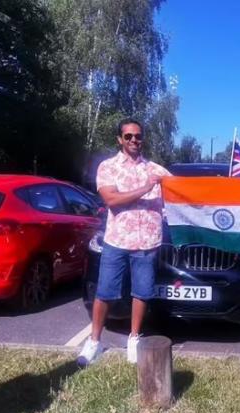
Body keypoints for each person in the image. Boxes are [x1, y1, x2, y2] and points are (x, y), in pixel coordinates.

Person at [77, 118, 170, 367]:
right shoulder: (108, 167)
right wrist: (146, 188)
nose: (133, 140)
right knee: (105, 291)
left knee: (142, 293)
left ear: (143, 139)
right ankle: (94, 342)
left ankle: (134, 339)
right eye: (128, 136)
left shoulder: (157, 170)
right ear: (120, 139)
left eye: (138, 136)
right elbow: (112, 200)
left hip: (147, 242)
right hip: (117, 241)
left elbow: (184, 192)